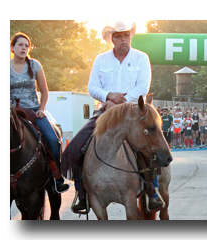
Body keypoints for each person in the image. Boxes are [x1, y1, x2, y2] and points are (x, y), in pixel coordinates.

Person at [63, 21, 162, 211]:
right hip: (105, 111)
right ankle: (82, 194)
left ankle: (152, 191)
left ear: (130, 36)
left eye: (126, 35)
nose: (123, 39)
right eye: (119, 36)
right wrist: (108, 96)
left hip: (133, 111)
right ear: (112, 38)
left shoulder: (141, 58)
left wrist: (118, 103)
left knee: (151, 146)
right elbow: (92, 87)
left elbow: (143, 87)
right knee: (77, 147)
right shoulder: (101, 59)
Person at [10, 32, 69, 193]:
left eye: (26, 46)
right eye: (20, 45)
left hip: (34, 111)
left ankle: (56, 178)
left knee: (52, 138)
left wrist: (42, 109)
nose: (24, 48)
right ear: (12, 47)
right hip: (11, 113)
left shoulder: (35, 65)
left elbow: (44, 91)